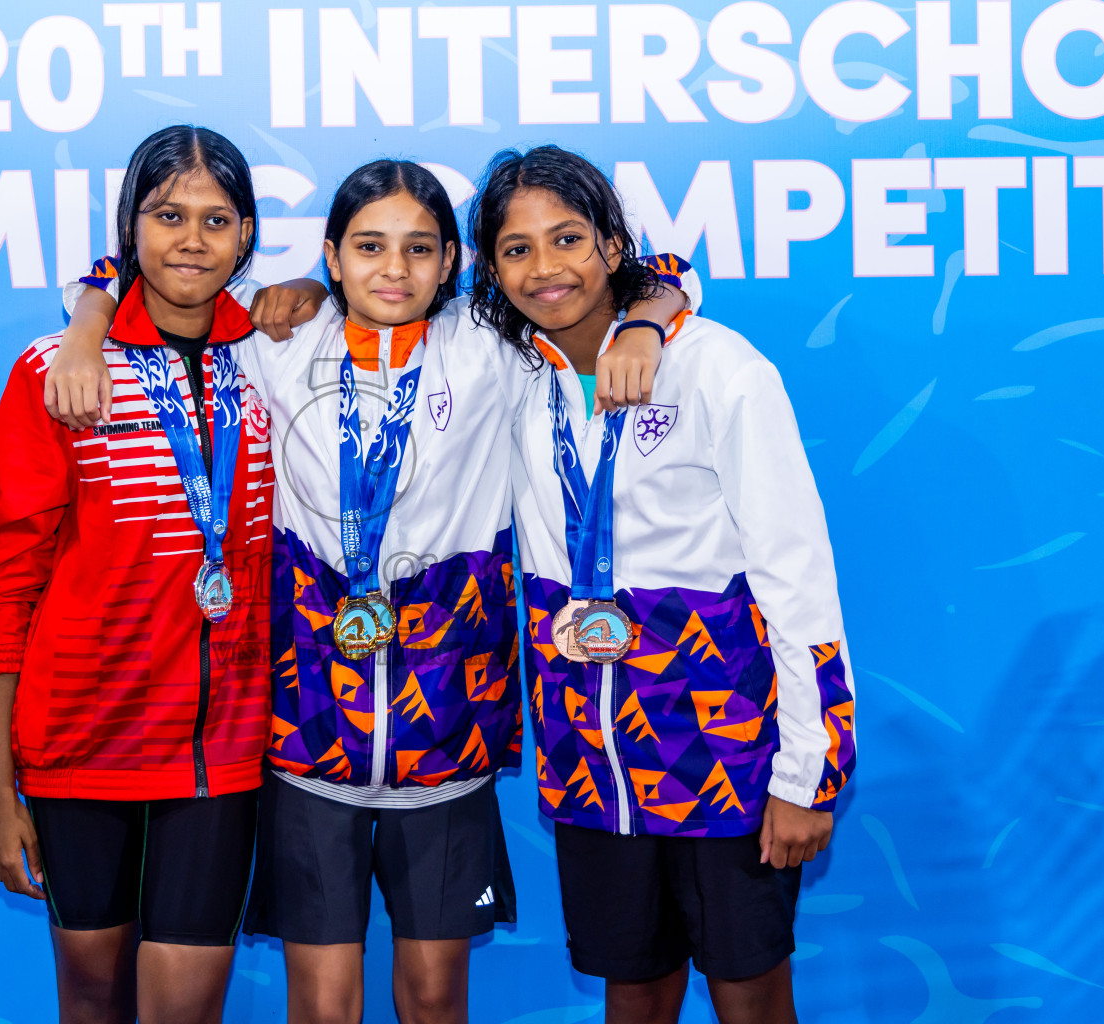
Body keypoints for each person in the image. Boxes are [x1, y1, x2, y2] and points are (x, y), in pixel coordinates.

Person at [46, 154, 690, 1024]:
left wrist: (647, 323)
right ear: (331, 255)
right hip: (311, 745)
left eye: (420, 249)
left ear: (454, 264)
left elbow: (669, 270)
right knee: (322, 1003)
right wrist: (88, 321)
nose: (395, 269)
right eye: (370, 247)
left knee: (433, 998)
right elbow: (141, 275)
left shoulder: (495, 350)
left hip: (447, 740)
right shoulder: (274, 347)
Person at [471, 146, 855, 1024]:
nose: (546, 267)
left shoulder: (721, 370)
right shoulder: (504, 374)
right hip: (590, 765)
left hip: (727, 759)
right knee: (632, 990)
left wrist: (809, 770)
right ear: (492, 267)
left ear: (613, 245)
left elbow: (796, 573)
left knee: (750, 993)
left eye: (568, 238)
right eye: (517, 249)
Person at [0, 125, 321, 1024]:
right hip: (81, 739)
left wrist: (311, 289)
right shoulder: (57, 373)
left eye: (216, 219)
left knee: (184, 1007)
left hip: (222, 749)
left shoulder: (273, 358)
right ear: (131, 229)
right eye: (169, 216)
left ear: (246, 236)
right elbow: (8, 582)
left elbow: (364, 299)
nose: (192, 240)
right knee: (92, 997)